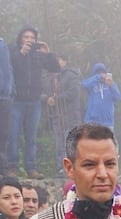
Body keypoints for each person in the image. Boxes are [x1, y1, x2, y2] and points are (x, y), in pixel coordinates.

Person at [7, 26, 60, 179]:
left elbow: (55, 68)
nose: (29, 40)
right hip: (16, 100)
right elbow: (8, 66)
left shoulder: (39, 55)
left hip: (34, 102)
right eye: (26, 37)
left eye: (32, 37)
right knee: (13, 135)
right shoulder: (12, 51)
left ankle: (31, 168)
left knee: (31, 136)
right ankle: (13, 167)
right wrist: (22, 53)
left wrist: (48, 53)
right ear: (20, 39)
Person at [48, 54, 82, 172]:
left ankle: (73, 168)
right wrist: (47, 98)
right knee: (58, 143)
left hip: (70, 115)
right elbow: (44, 92)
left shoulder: (71, 75)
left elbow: (73, 93)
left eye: (59, 60)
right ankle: (60, 168)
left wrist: (56, 98)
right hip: (56, 115)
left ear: (65, 61)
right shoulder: (51, 76)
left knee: (70, 143)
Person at [82, 63, 121, 130]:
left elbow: (117, 97)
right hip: (91, 122)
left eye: (103, 72)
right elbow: (84, 84)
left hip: (107, 123)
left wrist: (111, 86)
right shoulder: (91, 83)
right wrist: (98, 77)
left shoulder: (111, 84)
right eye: (98, 72)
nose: (101, 74)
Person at [0, 35, 13, 176]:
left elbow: (7, 70)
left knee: (3, 134)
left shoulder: (2, 44)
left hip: (4, 97)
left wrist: (9, 92)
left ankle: (2, 168)